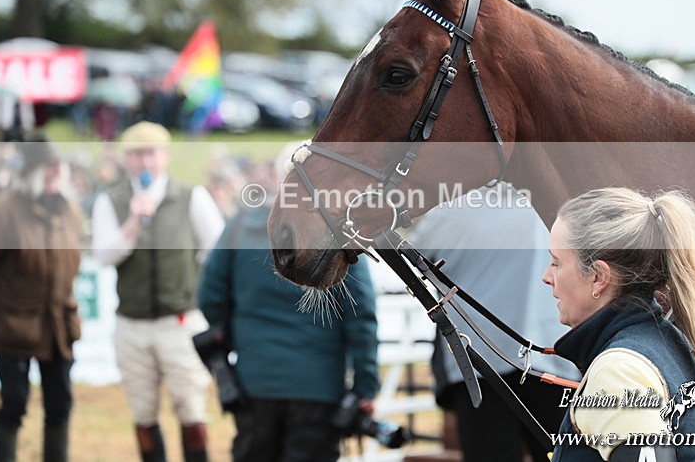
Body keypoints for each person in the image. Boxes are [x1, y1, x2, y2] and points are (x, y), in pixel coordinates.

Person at [545, 187, 695, 461]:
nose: (546, 276)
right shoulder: (664, 340)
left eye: (556, 262)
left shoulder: (619, 372)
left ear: (598, 276)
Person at [197, 159, 380, 462]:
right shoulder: (340, 233)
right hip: (318, 386)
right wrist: (365, 386)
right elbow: (361, 316)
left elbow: (209, 297)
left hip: (254, 381)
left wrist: (238, 340)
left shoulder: (241, 224)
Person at [408, 183, 580, 462]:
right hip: (551, 360)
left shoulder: (448, 212)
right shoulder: (550, 205)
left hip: (478, 364)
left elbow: (413, 257)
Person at [91, 121, 225, 462]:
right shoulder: (112, 201)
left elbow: (217, 249)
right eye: (136, 155)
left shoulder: (190, 196)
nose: (144, 162)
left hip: (180, 321)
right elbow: (104, 256)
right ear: (126, 160)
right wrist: (134, 222)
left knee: (192, 409)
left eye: (150, 154)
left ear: (164, 156)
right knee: (143, 414)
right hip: (132, 325)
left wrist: (198, 285)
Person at [0, 136, 83, 461]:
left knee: (60, 405)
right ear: (31, 172)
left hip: (58, 326)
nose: (55, 173)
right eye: (48, 168)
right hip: (14, 328)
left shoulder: (69, 211)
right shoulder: (5, 212)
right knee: (14, 403)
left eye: (59, 167)